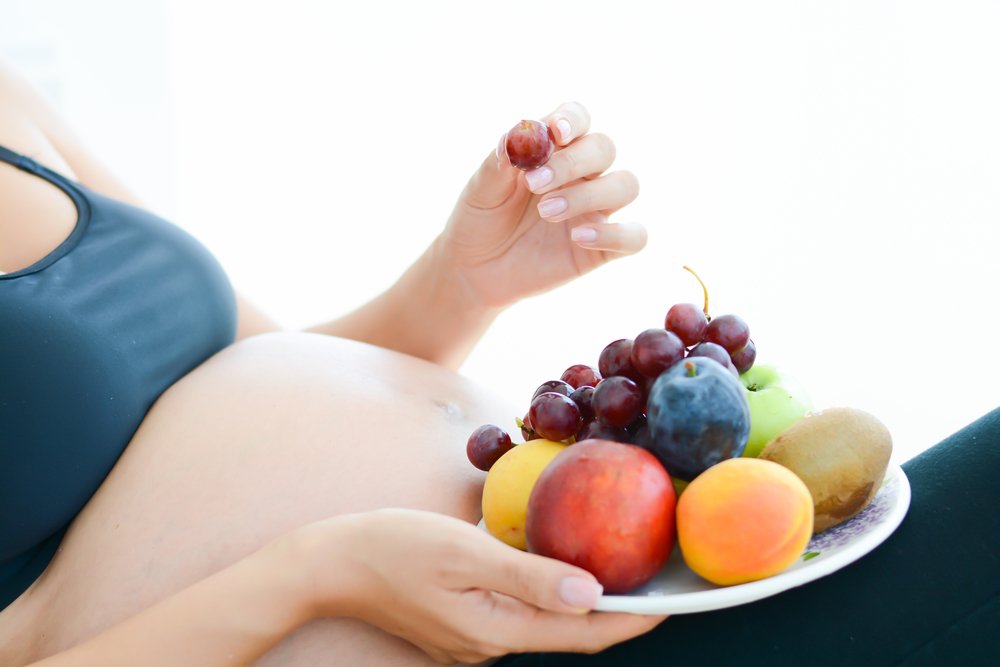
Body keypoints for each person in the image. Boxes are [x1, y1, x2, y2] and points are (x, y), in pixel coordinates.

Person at [0, 56, 663, 666]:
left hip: (564, 555)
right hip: (448, 623)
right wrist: (315, 575)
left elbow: (254, 372)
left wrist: (459, 283)